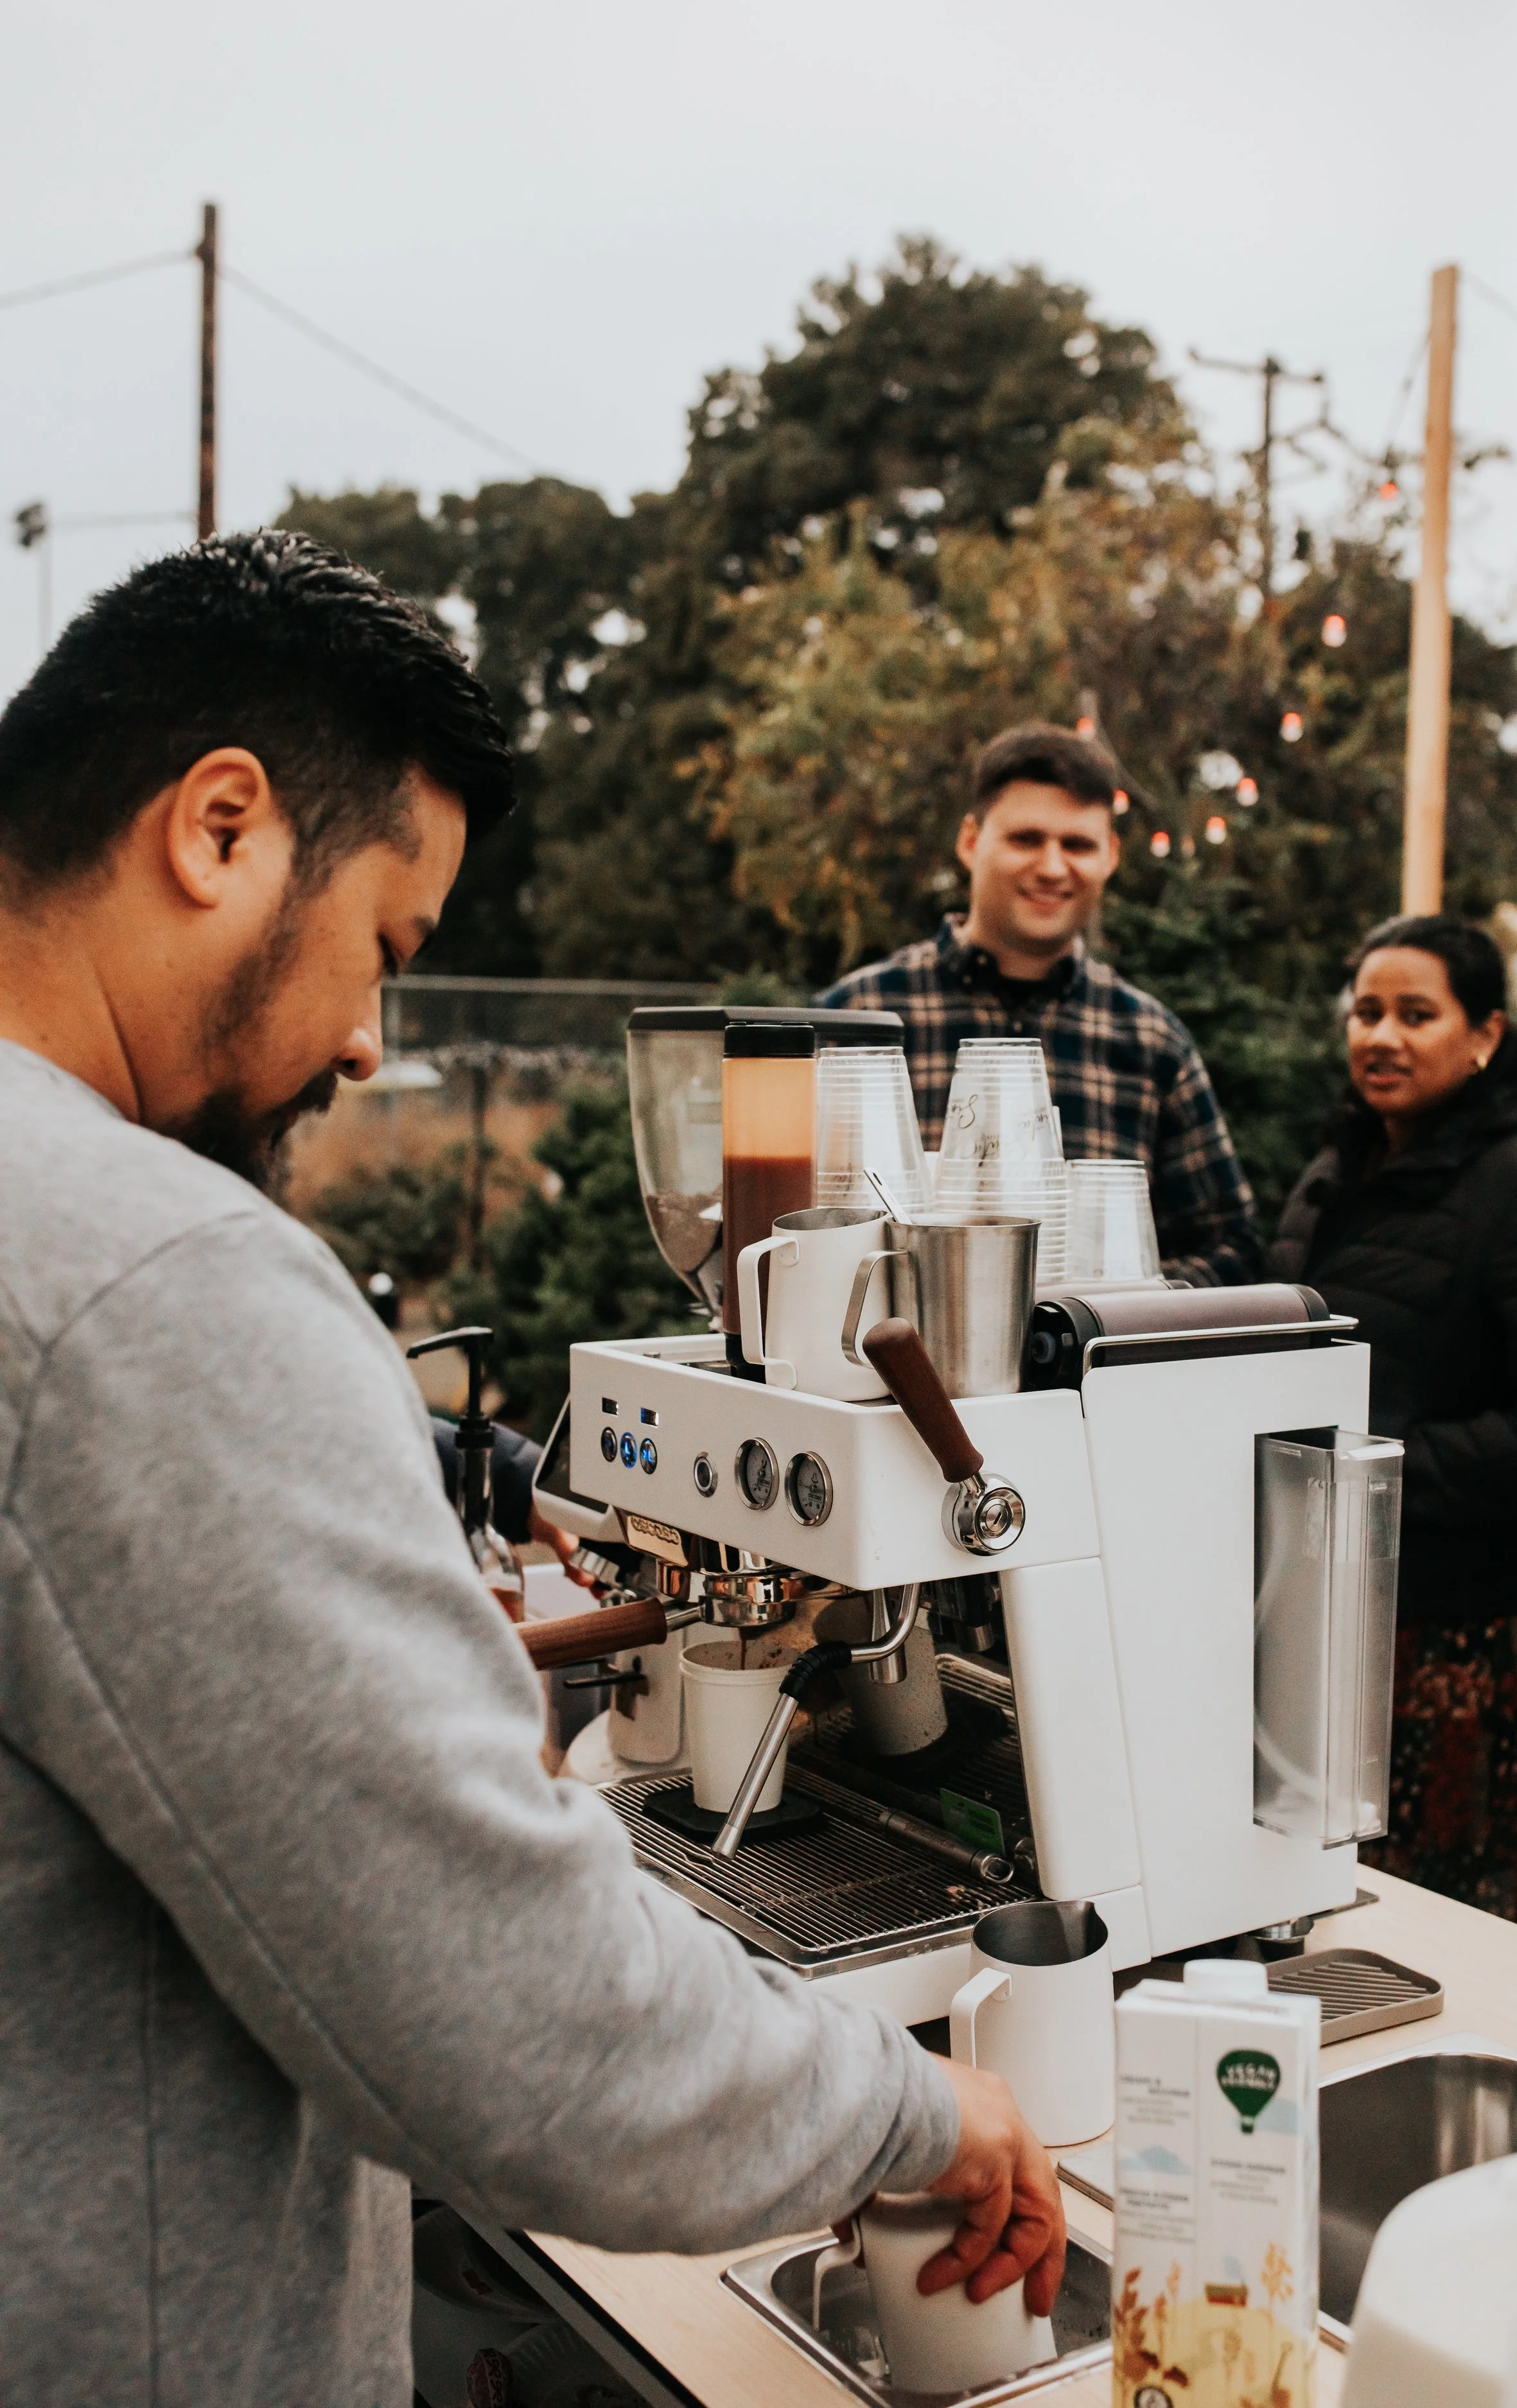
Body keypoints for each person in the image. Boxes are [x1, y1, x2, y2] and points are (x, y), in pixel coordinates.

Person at [0, 534, 1064, 2407]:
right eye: (385, 951)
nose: (361, 1035)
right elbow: (500, 2015)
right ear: (220, 826)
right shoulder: (146, 1272)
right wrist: (920, 2112)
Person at [1268, 914, 1517, 1946]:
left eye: (1419, 1014)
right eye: (1368, 1010)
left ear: (1486, 1035)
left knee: (1480, 1930)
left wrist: (1377, 1479)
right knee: (1356, 1924)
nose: (1383, 1035)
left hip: (1488, 1646)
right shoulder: (1339, 1173)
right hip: (1355, 1624)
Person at [819, 720, 1261, 1284]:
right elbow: (781, 1224)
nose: (1053, 867)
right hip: (881, 1365)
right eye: (1027, 839)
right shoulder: (858, 1020)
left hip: (1093, 1370)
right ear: (971, 841)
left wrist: (1121, 1307)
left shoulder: (1151, 1041)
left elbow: (1232, 1246)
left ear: (1110, 856)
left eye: (1077, 845)